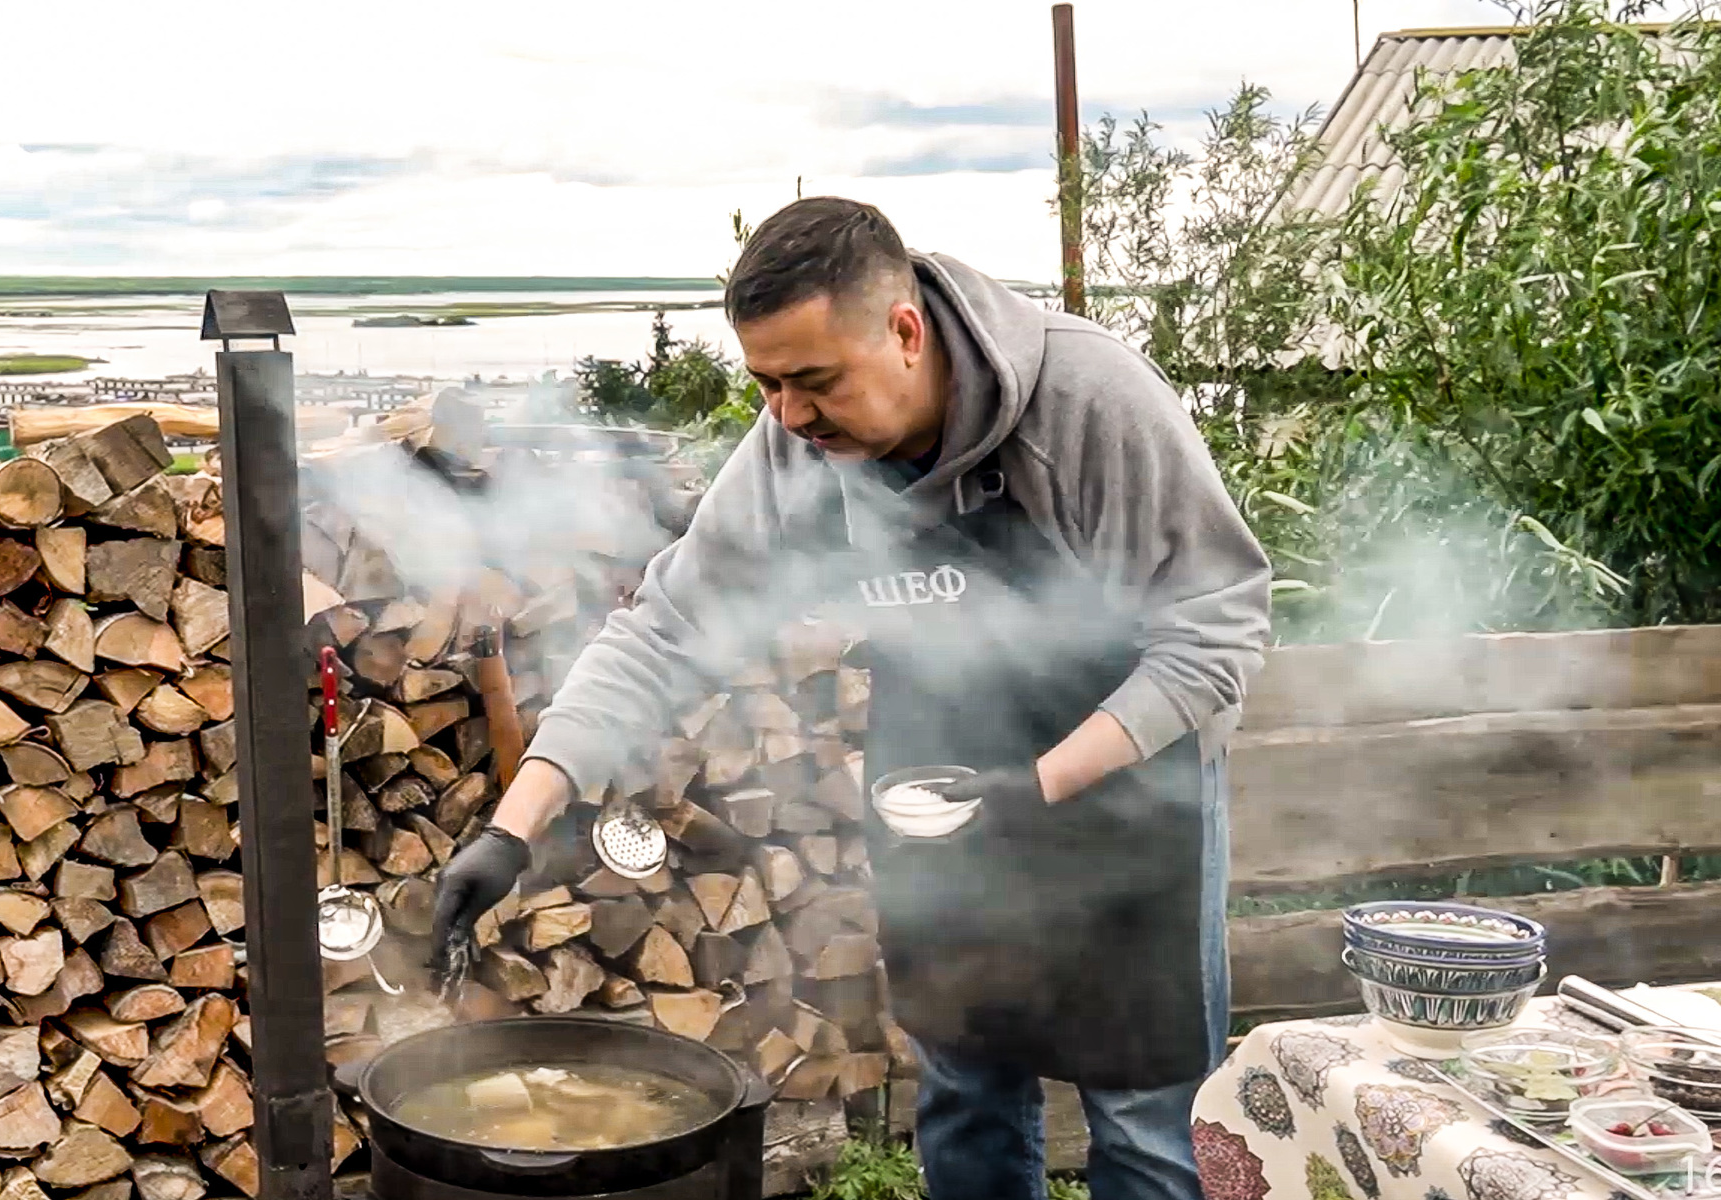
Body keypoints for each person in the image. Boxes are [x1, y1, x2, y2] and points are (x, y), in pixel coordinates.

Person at [432, 197, 1272, 1200]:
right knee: (964, 1083)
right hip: (942, 773)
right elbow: (664, 628)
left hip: (1128, 781)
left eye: (813, 380)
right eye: (765, 384)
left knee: (1142, 1120)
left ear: (905, 333)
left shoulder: (1088, 403)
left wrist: (1032, 788)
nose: (785, 416)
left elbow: (1212, 636)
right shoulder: (794, 451)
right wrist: (514, 826)